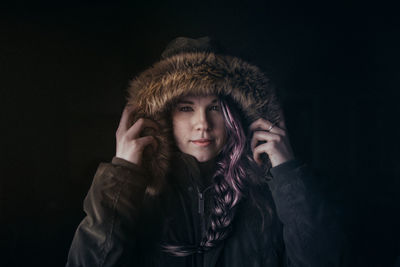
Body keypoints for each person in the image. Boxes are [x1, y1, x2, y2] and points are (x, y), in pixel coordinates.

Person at [66, 37, 346, 266]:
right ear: (165, 118)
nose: (203, 124)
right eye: (186, 108)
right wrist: (122, 176)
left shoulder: (266, 198)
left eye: (215, 108)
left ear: (233, 116)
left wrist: (288, 174)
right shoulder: (136, 200)